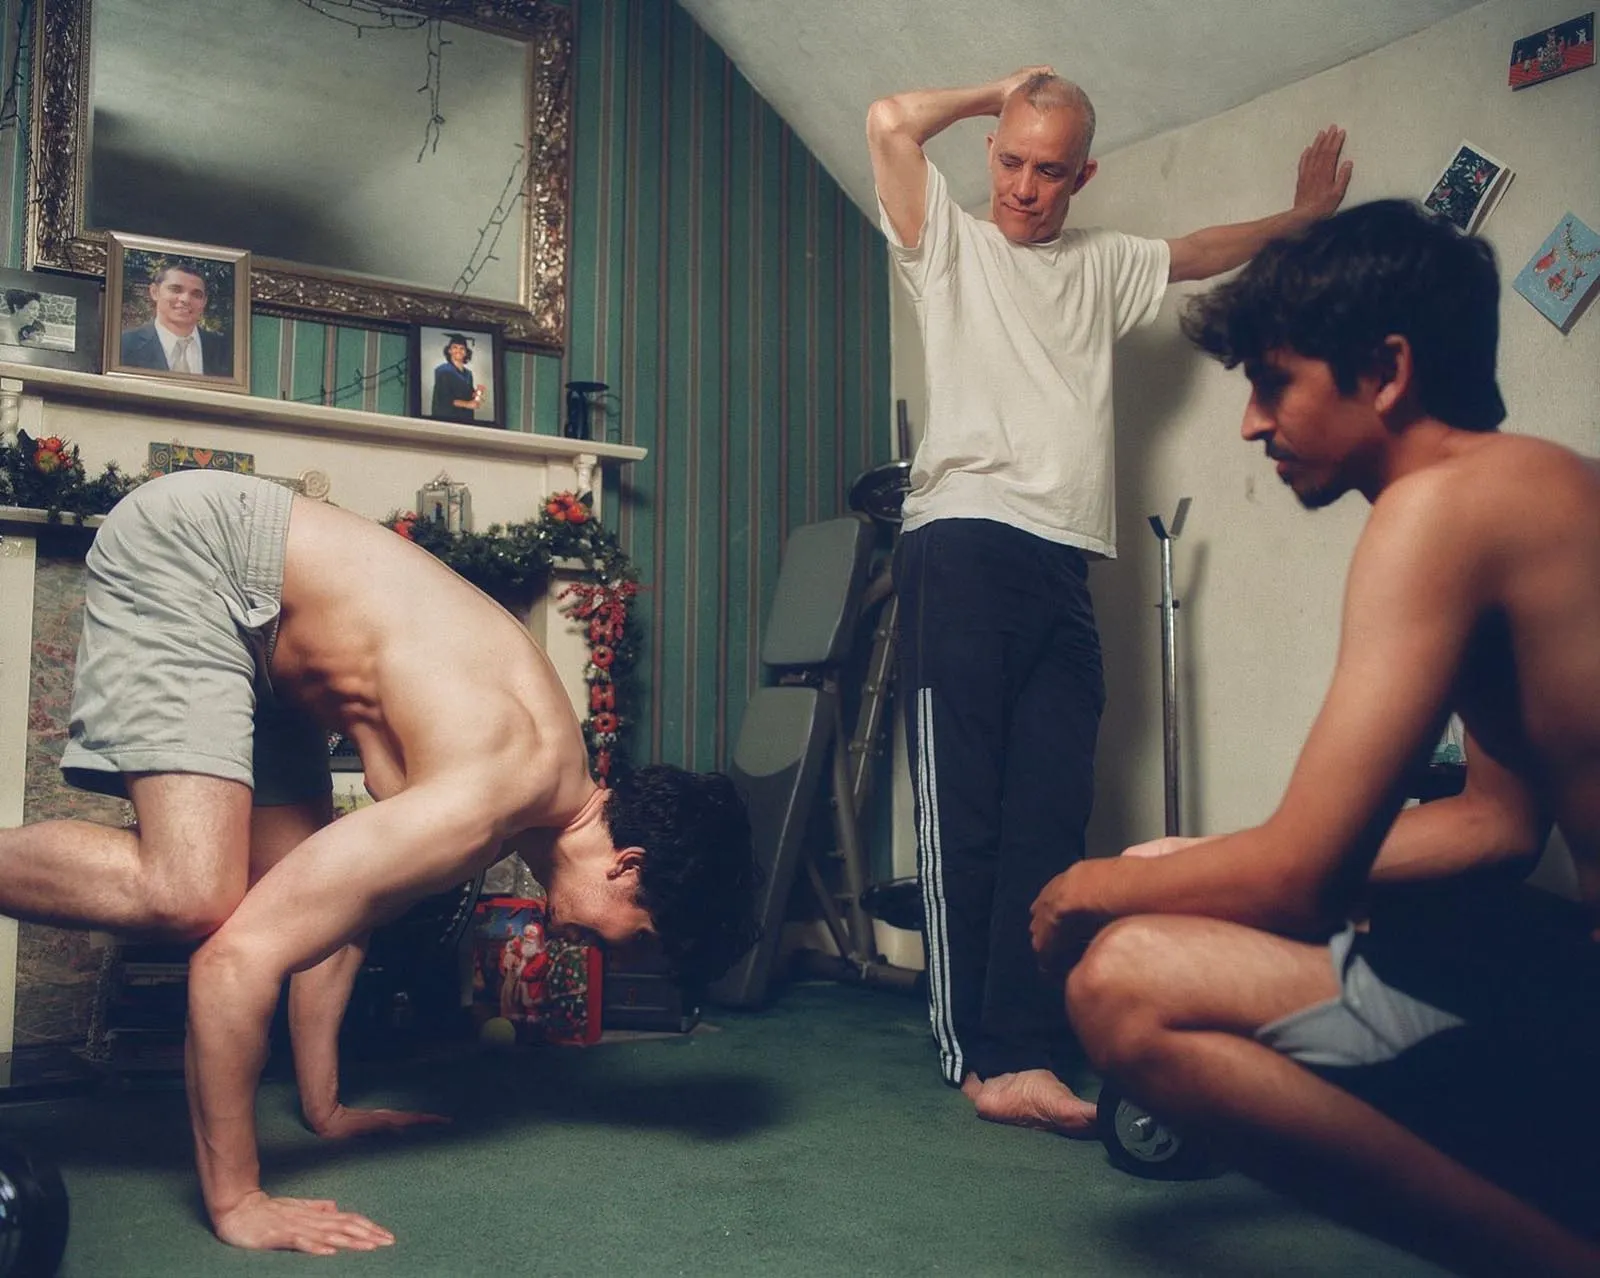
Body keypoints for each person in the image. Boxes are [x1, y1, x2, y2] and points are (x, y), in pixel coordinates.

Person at [1032, 199, 1600, 1275]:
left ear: (1385, 371)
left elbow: (1301, 881)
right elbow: (1494, 825)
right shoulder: (1534, 487)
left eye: (1272, 382)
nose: (1251, 423)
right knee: (1197, 900)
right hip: (1568, 969)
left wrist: (1092, 885)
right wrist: (1202, 859)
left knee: (1124, 979)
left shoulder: (1438, 510)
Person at [0, 469, 760, 1255]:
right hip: (207, 555)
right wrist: (241, 1200)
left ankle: (318, 1101)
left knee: (292, 896)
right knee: (191, 894)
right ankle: (230, 1190)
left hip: (273, 652)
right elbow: (232, 964)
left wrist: (325, 1109)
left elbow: (342, 912)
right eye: (638, 936)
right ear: (627, 866)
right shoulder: (492, 796)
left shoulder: (540, 788)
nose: (612, 952)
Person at [865, 66, 1351, 1133]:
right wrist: (1001, 89)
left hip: (1064, 562)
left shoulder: (1100, 266)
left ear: (1082, 176)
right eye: (1009, 161)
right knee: (966, 811)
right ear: (989, 153)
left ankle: (1028, 1047)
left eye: (1049, 171)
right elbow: (889, 121)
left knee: (1051, 814)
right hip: (961, 545)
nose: (1023, 188)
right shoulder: (948, 245)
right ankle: (978, 1055)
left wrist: (1302, 219)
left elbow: (1199, 251)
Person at [119, 263, 232, 375]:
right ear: (154, 292)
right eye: (176, 290)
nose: (186, 299)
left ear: (204, 301)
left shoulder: (227, 352)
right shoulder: (124, 346)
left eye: (196, 294)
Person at [430, 333, 484, 422]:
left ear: (466, 352)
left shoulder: (468, 374)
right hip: (446, 420)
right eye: (455, 347)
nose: (458, 350)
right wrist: (468, 404)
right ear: (449, 350)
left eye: (462, 348)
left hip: (465, 421)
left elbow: (469, 395)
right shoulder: (443, 371)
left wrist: (477, 393)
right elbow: (444, 399)